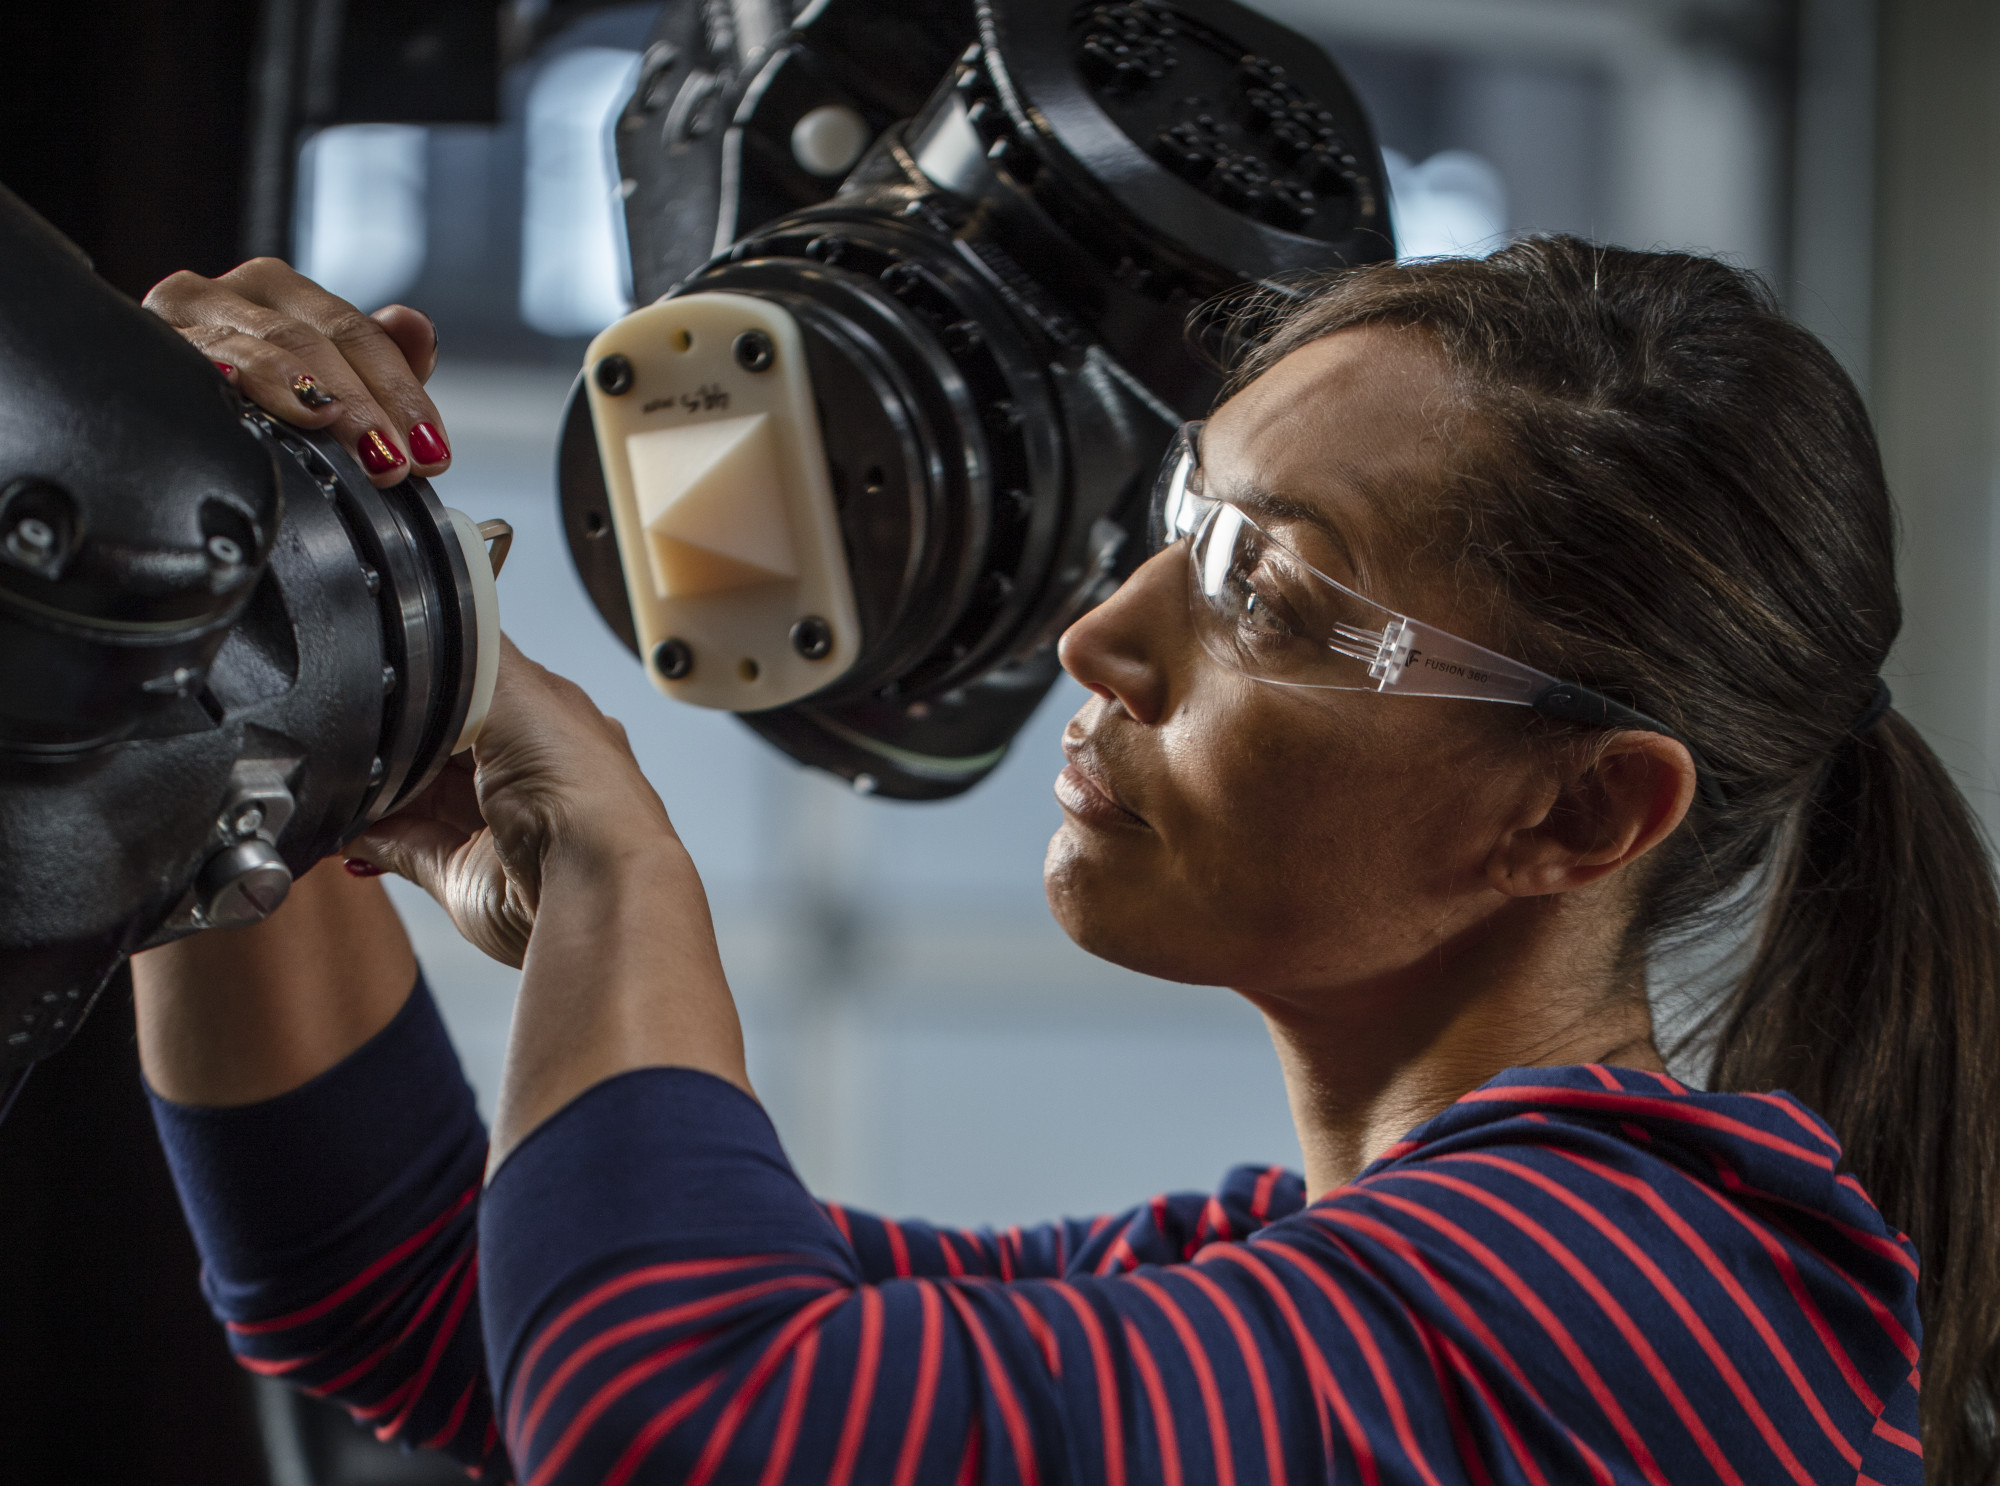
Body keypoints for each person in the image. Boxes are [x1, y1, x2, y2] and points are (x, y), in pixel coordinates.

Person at [132, 237, 1996, 1485]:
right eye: (1184, 521)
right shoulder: (1371, 1278)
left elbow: (677, 1423)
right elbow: (402, 1284)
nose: (1099, 634)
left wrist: (617, 869)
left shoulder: (1641, 1289)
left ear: (1581, 814)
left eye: (1264, 585)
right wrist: (230, 630)